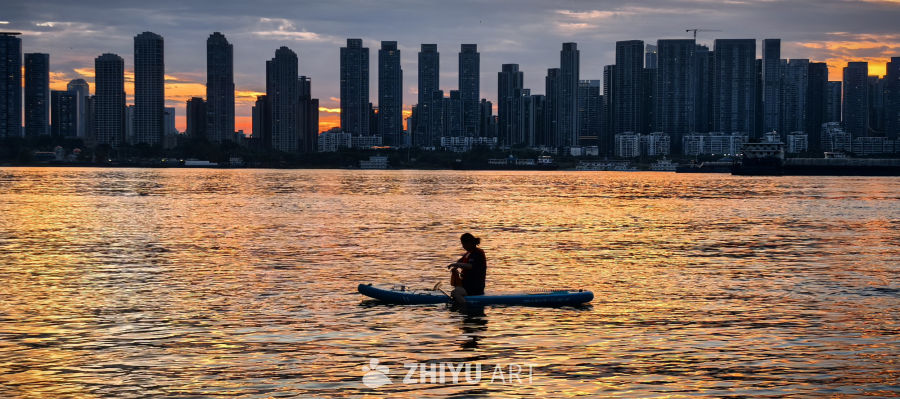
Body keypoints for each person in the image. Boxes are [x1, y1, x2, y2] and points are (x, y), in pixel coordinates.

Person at [447, 233, 487, 304]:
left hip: (475, 288)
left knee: (455, 293)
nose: (463, 246)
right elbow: (461, 261)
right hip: (467, 286)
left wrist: (456, 264)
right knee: (455, 291)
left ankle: (465, 307)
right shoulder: (468, 253)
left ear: (469, 243)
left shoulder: (478, 253)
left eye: (463, 244)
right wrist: (455, 267)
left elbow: (470, 266)